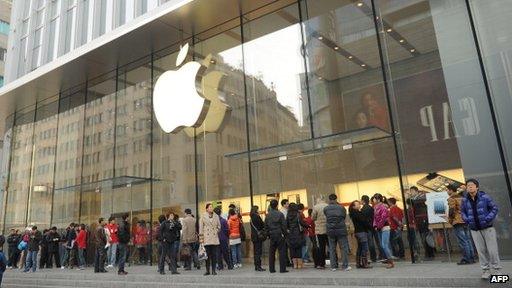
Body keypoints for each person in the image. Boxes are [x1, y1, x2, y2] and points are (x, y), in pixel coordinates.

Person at [461, 179, 500, 279]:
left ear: (477, 187)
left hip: (488, 228)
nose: (470, 187)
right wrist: (467, 220)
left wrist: (488, 218)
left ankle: (497, 270)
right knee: (481, 251)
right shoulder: (465, 200)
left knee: (492, 251)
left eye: (472, 185)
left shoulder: (485, 197)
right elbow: (463, 212)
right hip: (475, 229)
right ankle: (485, 270)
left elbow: (494, 208)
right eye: (468, 185)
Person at [446, 184, 475, 265]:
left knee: (463, 241)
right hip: (465, 220)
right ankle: (472, 258)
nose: (447, 191)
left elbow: (451, 211)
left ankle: (466, 259)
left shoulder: (452, 198)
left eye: (447, 190)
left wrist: (450, 220)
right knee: (468, 240)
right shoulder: (463, 197)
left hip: (458, 221)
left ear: (451, 190)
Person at [323, 194, 350, 272]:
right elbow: (344, 217)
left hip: (330, 231)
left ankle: (333, 266)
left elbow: (327, 216)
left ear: (329, 199)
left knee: (332, 249)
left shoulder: (326, 209)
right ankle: (345, 266)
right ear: (336, 199)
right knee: (343, 248)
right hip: (341, 230)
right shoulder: (341, 208)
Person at [265, 199, 288, 274]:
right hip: (279, 234)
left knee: (271, 252)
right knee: (282, 252)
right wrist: (285, 234)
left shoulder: (268, 215)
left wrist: (268, 234)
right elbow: (284, 225)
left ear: (270, 206)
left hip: (272, 234)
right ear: (277, 205)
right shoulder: (280, 214)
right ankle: (282, 269)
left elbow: (266, 226)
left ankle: (272, 269)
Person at [372, 193, 394, 268]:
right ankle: (388, 258)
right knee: (382, 245)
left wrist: (379, 226)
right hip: (379, 228)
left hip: (384, 227)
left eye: (374, 198)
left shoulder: (383, 207)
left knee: (385, 245)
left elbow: (383, 217)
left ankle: (391, 261)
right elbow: (374, 218)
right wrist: (375, 226)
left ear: (378, 199)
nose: (373, 200)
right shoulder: (375, 207)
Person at [199, 203, 221, 276]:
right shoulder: (203, 216)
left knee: (214, 255)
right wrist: (201, 238)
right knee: (207, 255)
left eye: (212, 207)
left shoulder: (216, 216)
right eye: (210, 207)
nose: (211, 208)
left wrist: (216, 230)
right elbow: (201, 227)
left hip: (214, 238)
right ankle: (207, 270)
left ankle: (214, 270)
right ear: (207, 209)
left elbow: (219, 226)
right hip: (206, 238)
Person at [349, 200, 372, 269]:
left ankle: (358, 263)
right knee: (364, 248)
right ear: (353, 207)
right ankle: (365, 263)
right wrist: (370, 226)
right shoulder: (357, 213)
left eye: (359, 204)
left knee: (360, 248)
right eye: (357, 204)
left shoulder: (354, 213)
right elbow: (363, 221)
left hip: (358, 232)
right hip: (361, 232)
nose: (359, 205)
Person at [286, 203, 309, 269]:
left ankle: (295, 265)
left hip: (291, 234)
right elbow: (302, 223)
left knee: (292, 249)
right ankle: (299, 265)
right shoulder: (298, 214)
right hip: (298, 233)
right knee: (299, 248)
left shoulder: (288, 215)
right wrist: (308, 226)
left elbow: (286, 225)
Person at [361, 195, 381, 263]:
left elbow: (364, 220)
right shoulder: (371, 208)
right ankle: (381, 255)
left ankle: (373, 257)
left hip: (368, 228)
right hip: (374, 227)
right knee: (378, 242)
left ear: (362, 200)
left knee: (371, 243)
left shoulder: (363, 209)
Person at [311, 196, 328, 269]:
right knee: (331, 246)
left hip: (319, 230)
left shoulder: (316, 207)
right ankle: (335, 262)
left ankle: (322, 263)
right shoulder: (327, 206)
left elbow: (313, 218)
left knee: (322, 247)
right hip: (328, 229)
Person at [250, 205, 266, 272]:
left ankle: (256, 266)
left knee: (255, 252)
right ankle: (259, 266)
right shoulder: (257, 217)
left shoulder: (251, 218)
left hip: (254, 236)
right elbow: (262, 225)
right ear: (256, 210)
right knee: (258, 252)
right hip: (258, 236)